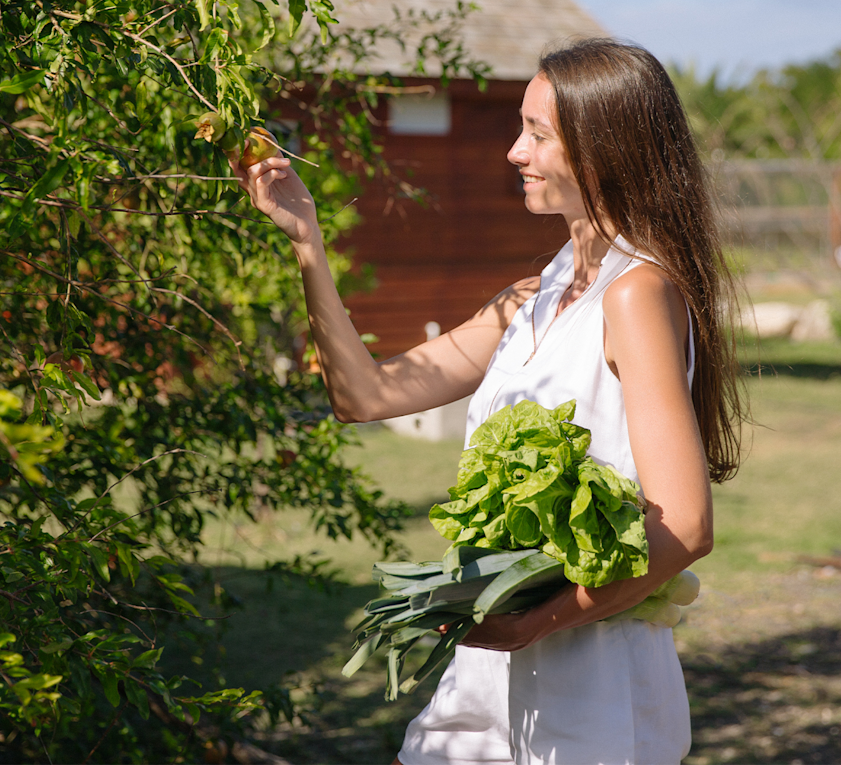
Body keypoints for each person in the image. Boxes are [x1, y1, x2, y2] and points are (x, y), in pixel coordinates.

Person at [232, 38, 744, 765]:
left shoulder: (636, 295)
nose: (514, 151)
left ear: (604, 151)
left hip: (593, 681)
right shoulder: (526, 303)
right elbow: (365, 394)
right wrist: (306, 240)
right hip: (485, 672)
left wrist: (539, 623)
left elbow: (686, 526)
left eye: (537, 133)